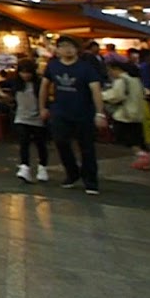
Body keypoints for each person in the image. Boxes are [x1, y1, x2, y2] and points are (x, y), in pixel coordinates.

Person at [42, 36, 107, 194]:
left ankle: (90, 181)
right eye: (63, 46)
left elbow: (96, 90)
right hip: (60, 112)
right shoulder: (53, 66)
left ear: (77, 49)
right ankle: (72, 173)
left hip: (83, 113)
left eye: (70, 46)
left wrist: (100, 113)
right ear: (57, 50)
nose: (67, 49)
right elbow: (44, 87)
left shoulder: (86, 68)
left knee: (86, 148)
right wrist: (42, 107)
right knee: (61, 142)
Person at [0, 59, 49, 183]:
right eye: (22, 72)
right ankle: (24, 167)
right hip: (21, 117)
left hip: (37, 117)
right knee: (23, 142)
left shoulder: (39, 83)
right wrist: (3, 95)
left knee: (40, 143)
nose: (25, 75)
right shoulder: (15, 83)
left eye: (28, 72)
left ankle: (42, 167)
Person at [103, 61, 150, 171]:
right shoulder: (136, 79)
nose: (110, 73)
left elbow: (116, 96)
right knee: (138, 137)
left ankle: (141, 155)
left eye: (110, 70)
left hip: (124, 113)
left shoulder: (121, 80)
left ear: (117, 69)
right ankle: (144, 158)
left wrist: (102, 95)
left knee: (125, 137)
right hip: (138, 112)